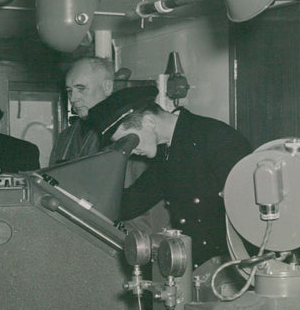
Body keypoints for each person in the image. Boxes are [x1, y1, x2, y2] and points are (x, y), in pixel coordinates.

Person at [87, 86, 252, 268]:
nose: (130, 150)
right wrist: (83, 200)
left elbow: (249, 216)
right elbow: (134, 200)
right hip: (198, 266)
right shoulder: (167, 150)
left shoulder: (215, 138)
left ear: (149, 121)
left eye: (129, 141)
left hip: (232, 267)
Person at [49, 57, 115, 165]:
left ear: (107, 87)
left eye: (81, 88)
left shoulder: (122, 133)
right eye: (69, 91)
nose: (73, 98)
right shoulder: (64, 138)